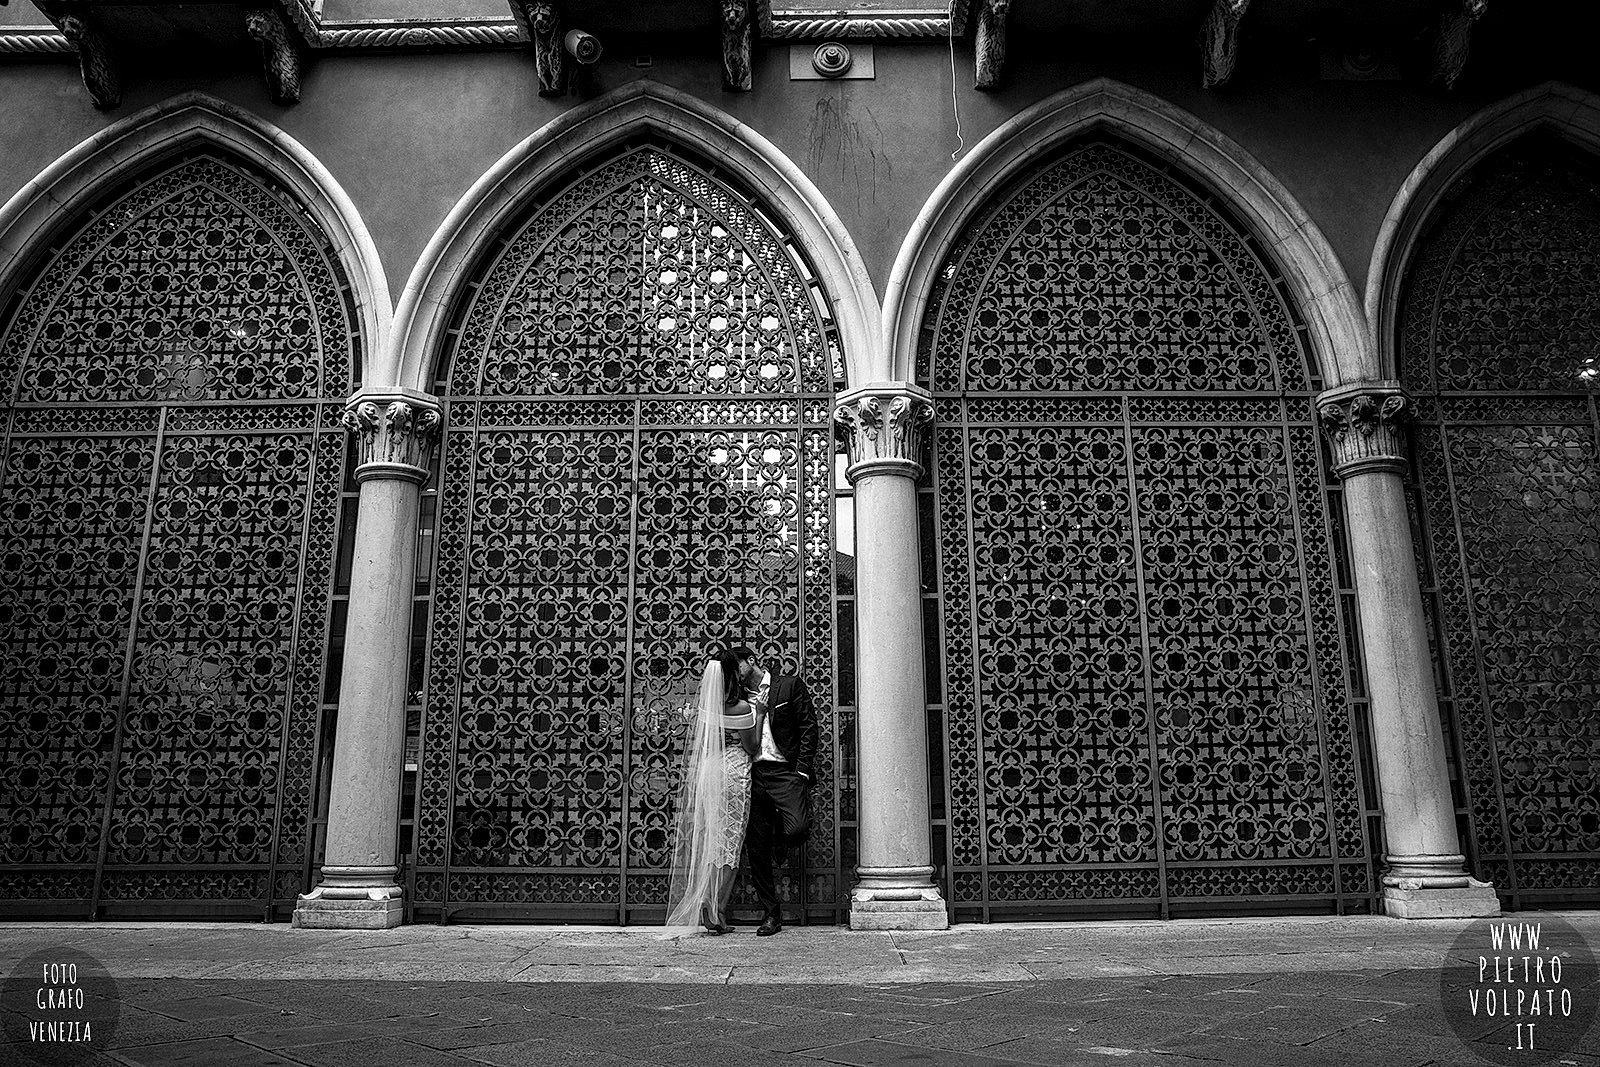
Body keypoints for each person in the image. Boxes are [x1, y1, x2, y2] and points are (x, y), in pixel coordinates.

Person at [662, 647, 762, 938]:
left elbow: (707, 743)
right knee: (731, 840)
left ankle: (712, 903)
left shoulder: (707, 708)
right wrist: (761, 713)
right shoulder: (742, 708)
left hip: (710, 771)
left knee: (711, 836)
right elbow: (752, 747)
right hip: (733, 772)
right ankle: (714, 905)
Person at [734, 645, 818, 937]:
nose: (736, 673)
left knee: (796, 829)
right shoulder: (739, 699)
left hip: (786, 772)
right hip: (754, 774)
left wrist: (802, 770)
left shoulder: (789, 685)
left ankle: (781, 840)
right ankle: (771, 915)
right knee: (756, 849)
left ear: (752, 661)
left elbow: (809, 727)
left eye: (738, 666)